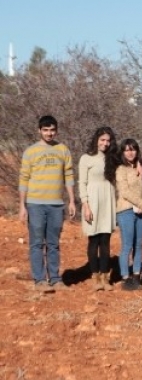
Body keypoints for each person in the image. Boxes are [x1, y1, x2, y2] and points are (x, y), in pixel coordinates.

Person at [19, 115, 76, 292]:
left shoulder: (63, 150)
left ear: (56, 130)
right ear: (39, 131)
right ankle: (40, 280)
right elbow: (24, 178)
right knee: (36, 243)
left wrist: (72, 200)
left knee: (53, 243)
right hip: (35, 204)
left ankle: (56, 279)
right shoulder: (30, 152)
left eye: (52, 130)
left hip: (56, 205)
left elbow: (68, 176)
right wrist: (22, 206)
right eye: (45, 130)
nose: (49, 133)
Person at [79, 127, 119, 291]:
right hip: (92, 202)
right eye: (102, 140)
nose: (105, 143)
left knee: (105, 241)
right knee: (93, 240)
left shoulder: (112, 158)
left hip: (108, 201)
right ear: (96, 140)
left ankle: (105, 276)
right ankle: (94, 276)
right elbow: (82, 183)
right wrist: (86, 205)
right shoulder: (86, 158)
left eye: (108, 140)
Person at [115, 139, 142, 291]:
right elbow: (125, 192)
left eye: (133, 149)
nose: (130, 153)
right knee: (127, 245)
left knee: (139, 244)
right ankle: (125, 276)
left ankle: (136, 274)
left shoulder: (141, 167)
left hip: (140, 212)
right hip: (126, 210)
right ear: (122, 152)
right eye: (127, 150)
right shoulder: (121, 170)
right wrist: (141, 203)